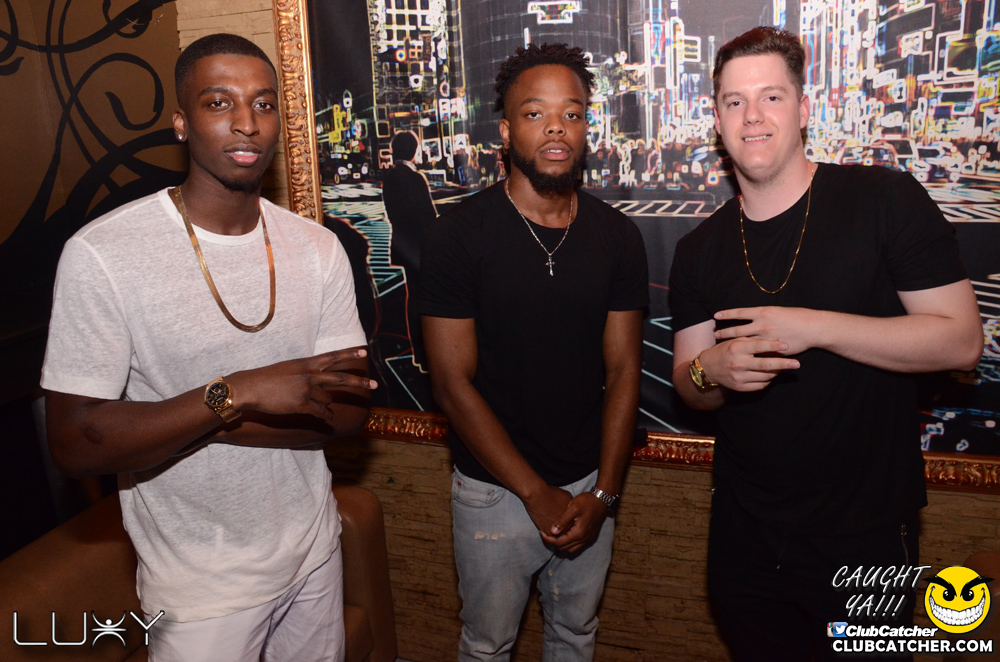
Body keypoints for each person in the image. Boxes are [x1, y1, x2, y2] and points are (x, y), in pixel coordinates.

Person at [41, 33, 377, 662]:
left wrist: (180, 422)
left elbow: (350, 413)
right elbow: (75, 442)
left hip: (314, 554)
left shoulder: (317, 247)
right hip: (199, 590)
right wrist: (240, 392)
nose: (247, 122)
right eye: (219, 102)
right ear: (181, 122)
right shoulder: (103, 254)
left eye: (264, 103)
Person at [669, 26, 983, 661]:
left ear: (804, 109)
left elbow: (961, 342)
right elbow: (687, 383)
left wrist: (812, 327)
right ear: (718, 120)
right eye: (735, 101)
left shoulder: (883, 200)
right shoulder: (698, 249)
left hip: (866, 537)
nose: (753, 116)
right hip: (745, 541)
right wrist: (711, 370)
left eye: (772, 97)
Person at [419, 43, 649, 661]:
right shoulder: (458, 236)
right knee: (487, 645)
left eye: (571, 114)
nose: (556, 127)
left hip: (589, 484)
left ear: (587, 128)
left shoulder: (617, 236)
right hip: (493, 491)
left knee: (576, 635)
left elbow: (625, 369)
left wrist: (604, 495)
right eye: (534, 113)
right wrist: (532, 491)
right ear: (505, 131)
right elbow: (451, 383)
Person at [383, 130, 437, 371]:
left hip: (403, 246)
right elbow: (428, 215)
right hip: (422, 247)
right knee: (428, 301)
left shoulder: (390, 178)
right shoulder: (415, 179)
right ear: (414, 151)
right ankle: (430, 354)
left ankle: (419, 354)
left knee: (412, 298)